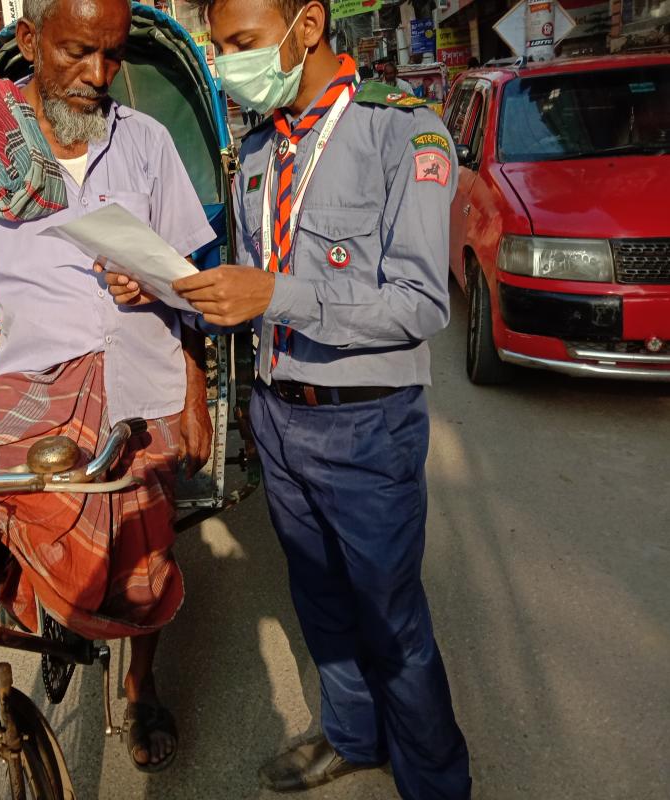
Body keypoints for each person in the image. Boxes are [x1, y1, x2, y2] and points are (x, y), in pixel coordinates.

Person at [106, 0, 471, 797]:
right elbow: (241, 280)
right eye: (218, 46)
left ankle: (435, 779)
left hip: (366, 421)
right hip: (279, 415)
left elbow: (419, 304)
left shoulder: (400, 133)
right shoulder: (263, 147)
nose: (229, 62)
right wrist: (161, 288)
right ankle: (352, 735)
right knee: (320, 602)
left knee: (390, 621)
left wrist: (277, 294)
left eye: (243, 43)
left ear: (308, 25)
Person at [0, 0, 215, 773]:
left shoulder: (145, 142)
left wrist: (191, 387)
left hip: (140, 363)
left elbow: (194, 279)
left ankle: (141, 685)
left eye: (112, 58)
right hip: (35, 371)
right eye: (77, 52)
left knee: (139, 517)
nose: (95, 76)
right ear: (28, 42)